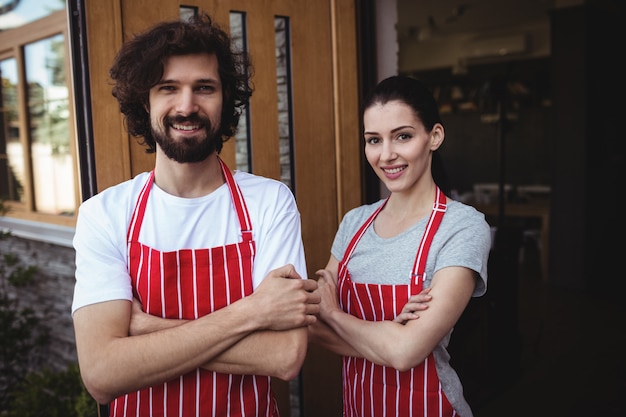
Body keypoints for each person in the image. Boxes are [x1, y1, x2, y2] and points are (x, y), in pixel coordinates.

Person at [71, 13, 320, 417]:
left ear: (226, 99)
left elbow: (284, 356)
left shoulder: (270, 203)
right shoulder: (105, 213)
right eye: (168, 88)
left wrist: (146, 328)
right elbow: (101, 373)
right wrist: (252, 312)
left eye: (204, 88)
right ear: (144, 100)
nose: (186, 106)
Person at [308, 75, 491, 417]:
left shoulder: (462, 227)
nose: (386, 155)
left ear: (434, 136)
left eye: (402, 136)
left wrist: (335, 314)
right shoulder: (354, 224)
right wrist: (389, 337)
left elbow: (407, 352)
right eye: (373, 140)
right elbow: (311, 327)